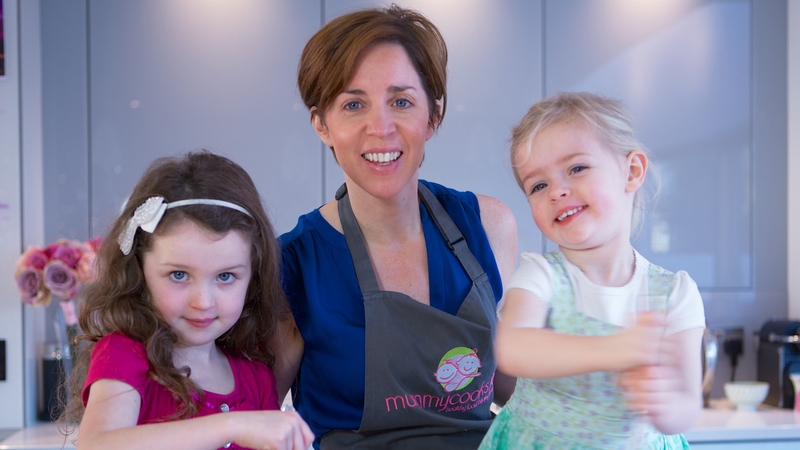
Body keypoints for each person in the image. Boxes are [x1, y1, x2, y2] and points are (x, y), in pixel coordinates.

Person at [278, 5, 518, 449]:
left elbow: (505, 380)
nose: (381, 128)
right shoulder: (292, 264)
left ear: (433, 116)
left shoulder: (489, 226)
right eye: (353, 104)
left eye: (401, 101)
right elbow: (250, 414)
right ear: (321, 125)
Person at [479, 92, 706, 449]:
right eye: (538, 185)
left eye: (576, 168)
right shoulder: (540, 275)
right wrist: (618, 348)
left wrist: (664, 403)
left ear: (632, 172)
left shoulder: (674, 292)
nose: (557, 191)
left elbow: (686, 407)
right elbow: (515, 349)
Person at [62, 151, 314, 450]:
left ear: (253, 278)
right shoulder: (124, 354)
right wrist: (230, 425)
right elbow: (97, 445)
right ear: (139, 270)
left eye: (225, 277)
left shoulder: (255, 374)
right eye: (179, 275)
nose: (203, 301)